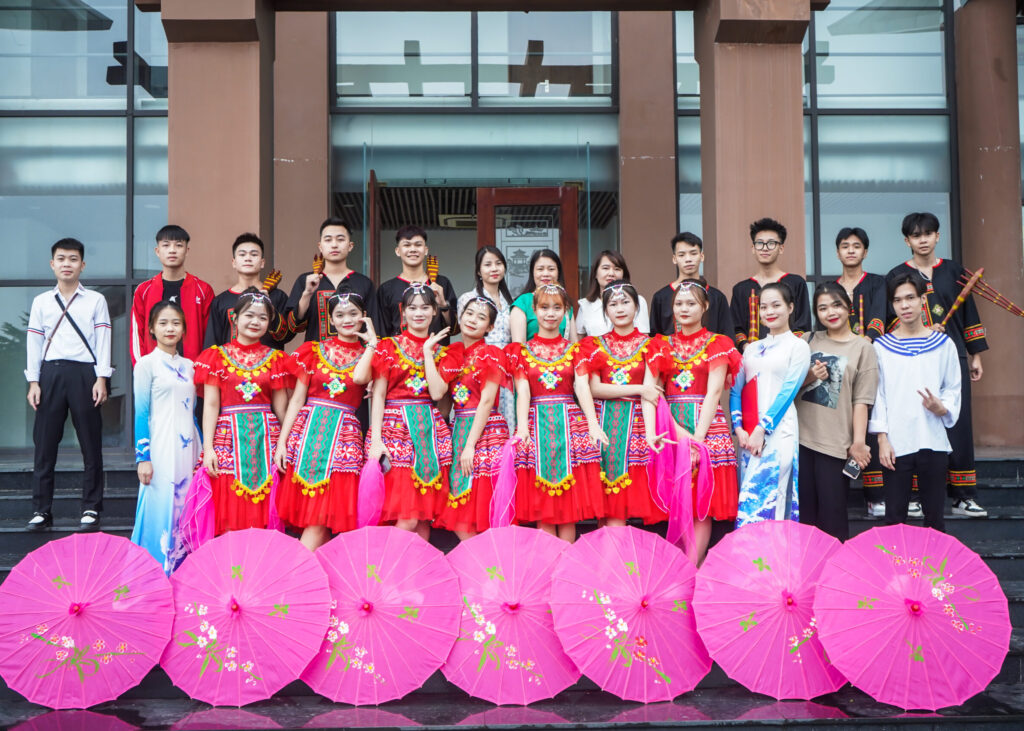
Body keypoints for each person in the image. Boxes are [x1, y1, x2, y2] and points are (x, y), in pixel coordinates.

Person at [886, 212, 988, 518]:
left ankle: (963, 495)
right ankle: (916, 495)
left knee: (957, 422)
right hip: (911, 360)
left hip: (951, 357)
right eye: (916, 236)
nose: (923, 240)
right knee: (915, 422)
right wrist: (921, 330)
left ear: (937, 236)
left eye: (928, 234)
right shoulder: (897, 275)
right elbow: (891, 319)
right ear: (907, 241)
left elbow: (969, 313)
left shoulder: (954, 271)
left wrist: (975, 353)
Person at [274, 290, 377, 551]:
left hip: (343, 438)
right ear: (330, 320)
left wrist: (372, 344)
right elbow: (297, 400)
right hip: (307, 435)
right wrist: (282, 442)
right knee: (314, 517)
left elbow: (360, 379)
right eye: (339, 315)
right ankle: (310, 569)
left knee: (322, 518)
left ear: (364, 316)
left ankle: (297, 568)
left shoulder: (372, 355)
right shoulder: (313, 351)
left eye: (353, 314)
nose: (347, 320)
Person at [25, 238, 113, 532]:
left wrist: (102, 377)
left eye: (73, 259)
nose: (67, 264)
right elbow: (34, 343)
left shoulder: (95, 300)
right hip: (50, 373)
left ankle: (91, 507)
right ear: (52, 264)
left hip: (85, 374)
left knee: (90, 443)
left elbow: (104, 340)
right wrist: (33, 381)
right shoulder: (41, 302)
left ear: (82, 265)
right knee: (44, 444)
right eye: (61, 259)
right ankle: (41, 510)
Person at [507, 284, 606, 542]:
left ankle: (567, 565)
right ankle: (549, 563)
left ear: (565, 312)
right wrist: (522, 427)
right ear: (534, 310)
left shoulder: (575, 350)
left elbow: (582, 387)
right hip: (537, 427)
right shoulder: (522, 352)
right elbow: (523, 391)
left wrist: (593, 424)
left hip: (569, 427)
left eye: (557, 308)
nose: (550, 313)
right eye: (544, 308)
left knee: (568, 511)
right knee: (542, 507)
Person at [193, 292, 294, 535]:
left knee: (265, 512)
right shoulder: (215, 357)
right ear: (235, 319)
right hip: (227, 439)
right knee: (228, 508)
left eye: (263, 318)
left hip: (266, 442)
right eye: (249, 315)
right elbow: (211, 406)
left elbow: (281, 408)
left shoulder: (277, 359)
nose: (255, 322)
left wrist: (286, 444)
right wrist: (208, 448)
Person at [654, 279, 741, 562]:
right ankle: (679, 565)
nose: (684, 308)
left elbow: (715, 392)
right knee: (677, 498)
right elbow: (655, 393)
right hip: (672, 425)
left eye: (691, 303)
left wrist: (697, 442)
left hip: (708, 425)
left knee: (702, 503)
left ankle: (691, 567)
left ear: (704, 307)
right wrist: (679, 434)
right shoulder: (661, 345)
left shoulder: (718, 343)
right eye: (679, 304)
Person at [870, 272, 961, 532]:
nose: (905, 305)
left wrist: (942, 407)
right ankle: (895, 562)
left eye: (910, 298)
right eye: (898, 300)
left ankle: (933, 561)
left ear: (923, 299)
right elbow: (878, 396)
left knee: (934, 520)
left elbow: (953, 387)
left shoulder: (943, 344)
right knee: (894, 519)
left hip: (932, 439)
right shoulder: (882, 347)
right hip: (896, 443)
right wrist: (882, 439)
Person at [366, 284, 455, 540]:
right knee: (407, 517)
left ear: (435, 311)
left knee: (423, 518)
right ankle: (388, 565)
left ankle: (416, 566)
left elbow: (437, 393)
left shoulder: (443, 353)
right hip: (395, 431)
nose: (419, 313)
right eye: (412, 308)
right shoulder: (388, 347)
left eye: (425, 307)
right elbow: (379, 395)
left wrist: (427, 352)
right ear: (403, 312)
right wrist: (376, 440)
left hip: (429, 434)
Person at [577, 281, 665, 527]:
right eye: (613, 304)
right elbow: (595, 388)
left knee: (622, 505)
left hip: (635, 427)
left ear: (637, 306)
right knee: (603, 507)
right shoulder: (593, 346)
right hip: (602, 425)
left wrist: (650, 433)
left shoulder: (652, 346)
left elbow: (651, 394)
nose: (620, 308)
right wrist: (638, 388)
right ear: (605, 311)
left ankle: (617, 552)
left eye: (626, 302)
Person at [795, 283, 878, 541]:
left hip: (835, 445)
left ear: (848, 307)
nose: (830, 312)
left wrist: (858, 442)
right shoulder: (806, 341)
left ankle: (834, 566)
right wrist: (810, 376)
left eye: (836, 305)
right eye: (822, 308)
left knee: (833, 519)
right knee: (804, 520)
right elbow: (787, 387)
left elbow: (862, 400)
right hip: (800, 440)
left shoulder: (863, 348)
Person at [730, 282, 811, 527]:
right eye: (763, 307)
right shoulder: (751, 349)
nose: (769, 312)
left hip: (779, 430)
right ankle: (750, 550)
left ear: (791, 307)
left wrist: (762, 428)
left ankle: (777, 550)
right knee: (748, 499)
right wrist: (739, 429)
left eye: (776, 305)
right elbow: (736, 390)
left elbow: (789, 391)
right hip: (748, 435)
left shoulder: (798, 346)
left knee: (774, 495)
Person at [434, 297, 511, 540]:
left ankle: (490, 559)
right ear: (460, 315)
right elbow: (444, 401)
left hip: (486, 431)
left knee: (483, 501)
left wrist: (470, 445)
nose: (473, 320)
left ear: (490, 327)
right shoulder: (452, 353)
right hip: (459, 429)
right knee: (458, 502)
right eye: (469, 313)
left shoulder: (491, 354)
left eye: (481, 317)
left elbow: (487, 401)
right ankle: (477, 559)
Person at [131, 301, 199, 572]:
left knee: (186, 509)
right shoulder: (146, 365)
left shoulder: (191, 366)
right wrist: (143, 458)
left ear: (184, 330)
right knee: (158, 509)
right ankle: (154, 575)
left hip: (188, 448)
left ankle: (184, 575)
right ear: (151, 329)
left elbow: (193, 412)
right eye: (163, 323)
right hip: (159, 448)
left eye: (176, 323)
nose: (170, 328)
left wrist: (201, 450)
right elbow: (140, 413)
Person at [833, 226, 890, 519]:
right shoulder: (831, 287)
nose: (851, 251)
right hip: (839, 363)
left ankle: (875, 496)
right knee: (843, 426)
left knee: (869, 425)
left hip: (870, 358)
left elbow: (879, 318)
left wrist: (863, 344)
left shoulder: (878, 283)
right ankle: (841, 491)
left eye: (856, 246)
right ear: (838, 252)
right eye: (845, 246)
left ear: (865, 252)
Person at [131, 224, 214, 365]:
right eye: (166, 245)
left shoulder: (203, 289)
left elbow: (210, 337)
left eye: (179, 245)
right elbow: (137, 335)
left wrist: (202, 370)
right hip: (154, 371)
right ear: (157, 251)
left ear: (187, 251)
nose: (172, 250)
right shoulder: (144, 290)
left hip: (193, 371)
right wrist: (143, 368)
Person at [287, 217, 376, 343]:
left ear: (350, 246)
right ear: (320, 246)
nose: (334, 245)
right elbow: (293, 326)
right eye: (328, 240)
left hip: (356, 354)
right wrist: (307, 294)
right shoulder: (306, 281)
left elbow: (374, 328)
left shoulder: (364, 283)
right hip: (316, 354)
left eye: (340, 239)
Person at [730, 218, 811, 350]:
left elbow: (803, 323)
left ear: (781, 248)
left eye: (771, 243)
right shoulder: (741, 289)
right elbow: (735, 327)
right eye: (760, 243)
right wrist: (748, 348)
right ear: (753, 248)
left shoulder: (796, 283)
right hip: (751, 356)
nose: (765, 248)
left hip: (788, 353)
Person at [456, 246, 515, 428]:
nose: (494, 269)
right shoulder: (468, 298)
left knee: (507, 416)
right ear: (478, 271)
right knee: (482, 408)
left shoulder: (511, 301)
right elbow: (466, 333)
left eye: (498, 263)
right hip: (480, 364)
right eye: (488, 264)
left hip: (506, 365)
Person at [205, 233, 292, 349]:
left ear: (262, 262)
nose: (248, 258)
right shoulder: (220, 301)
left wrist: (271, 309)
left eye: (254, 254)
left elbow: (287, 336)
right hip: (230, 361)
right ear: (234, 262)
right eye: (242, 254)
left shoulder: (277, 296)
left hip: (269, 360)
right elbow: (212, 344)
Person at [373, 225, 457, 344]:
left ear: (426, 250)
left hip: (438, 353)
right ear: (398, 251)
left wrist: (443, 304)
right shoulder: (386, 289)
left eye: (418, 245)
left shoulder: (441, 283)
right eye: (407, 245)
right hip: (400, 354)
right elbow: (383, 332)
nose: (413, 249)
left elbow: (454, 329)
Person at [649, 232, 734, 337]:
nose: (688, 259)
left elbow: (727, 335)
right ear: (674, 259)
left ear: (702, 256)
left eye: (693, 253)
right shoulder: (661, 297)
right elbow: (654, 337)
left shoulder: (717, 297)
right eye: (682, 255)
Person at [575, 250, 650, 338]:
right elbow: (579, 341)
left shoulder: (638, 300)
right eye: (605, 268)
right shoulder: (585, 305)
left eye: (617, 269)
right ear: (595, 273)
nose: (611, 273)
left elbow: (644, 339)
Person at [510, 249, 576, 343]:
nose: (546, 274)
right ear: (532, 272)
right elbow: (518, 345)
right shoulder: (523, 302)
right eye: (540, 269)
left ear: (558, 272)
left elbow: (574, 344)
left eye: (551, 269)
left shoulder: (565, 302)